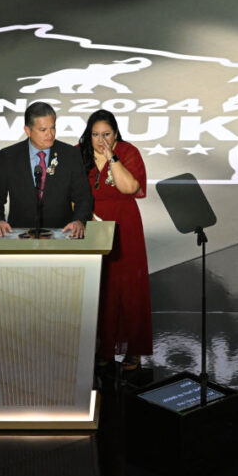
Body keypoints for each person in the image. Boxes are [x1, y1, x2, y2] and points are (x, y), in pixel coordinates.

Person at [79, 109, 152, 371]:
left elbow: (130, 188)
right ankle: (104, 348)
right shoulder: (79, 152)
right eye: (96, 134)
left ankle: (134, 350)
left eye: (106, 134)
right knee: (99, 286)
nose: (101, 140)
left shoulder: (128, 152)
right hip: (90, 226)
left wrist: (112, 158)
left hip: (124, 225)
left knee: (128, 287)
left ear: (116, 133)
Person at [0, 101, 92, 238]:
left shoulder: (70, 155)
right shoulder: (9, 157)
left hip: (62, 235)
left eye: (52, 128)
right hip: (20, 236)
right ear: (28, 130)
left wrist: (79, 220)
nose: (50, 134)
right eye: (43, 130)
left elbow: (84, 197)